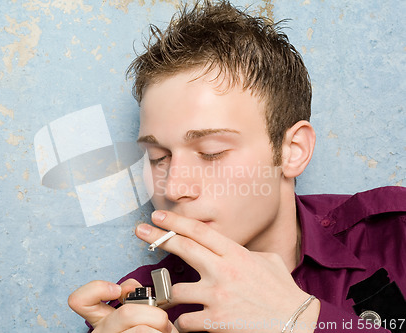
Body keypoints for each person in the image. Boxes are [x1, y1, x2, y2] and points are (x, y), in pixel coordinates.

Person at [68, 1, 406, 332]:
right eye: (158, 157)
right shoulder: (138, 307)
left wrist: (300, 320)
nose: (174, 187)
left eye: (211, 152)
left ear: (293, 151)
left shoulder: (395, 234)